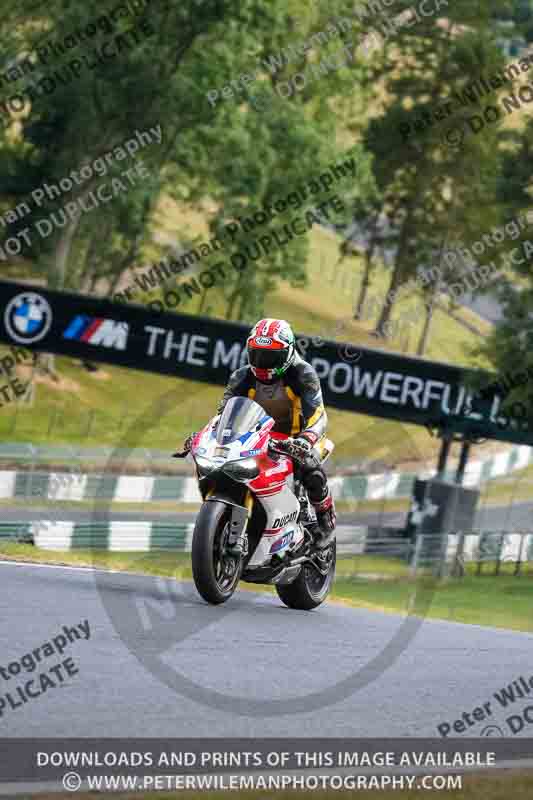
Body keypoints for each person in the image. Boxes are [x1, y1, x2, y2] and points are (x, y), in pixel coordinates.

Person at [183, 318, 336, 548]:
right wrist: (205, 436)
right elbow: (222, 415)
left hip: (298, 438)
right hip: (253, 438)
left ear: (287, 353)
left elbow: (318, 415)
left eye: (270, 356)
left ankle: (325, 521)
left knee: (310, 464)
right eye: (257, 354)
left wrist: (306, 440)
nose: (262, 362)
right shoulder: (241, 377)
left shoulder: (303, 374)